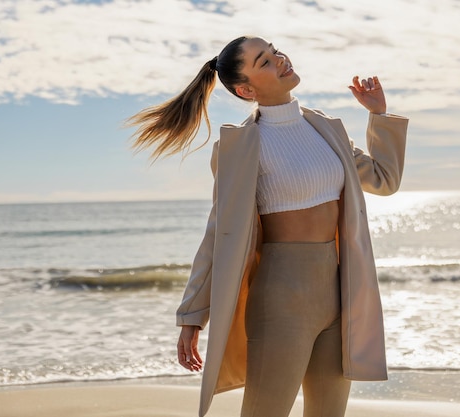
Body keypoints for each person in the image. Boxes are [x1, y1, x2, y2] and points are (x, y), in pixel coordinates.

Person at [126, 35, 408, 417]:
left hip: (338, 293)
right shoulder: (241, 146)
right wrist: (192, 315)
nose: (280, 59)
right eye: (264, 61)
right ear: (246, 89)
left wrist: (379, 115)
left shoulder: (326, 129)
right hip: (280, 300)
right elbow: (218, 233)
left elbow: (383, 179)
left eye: (274, 51)